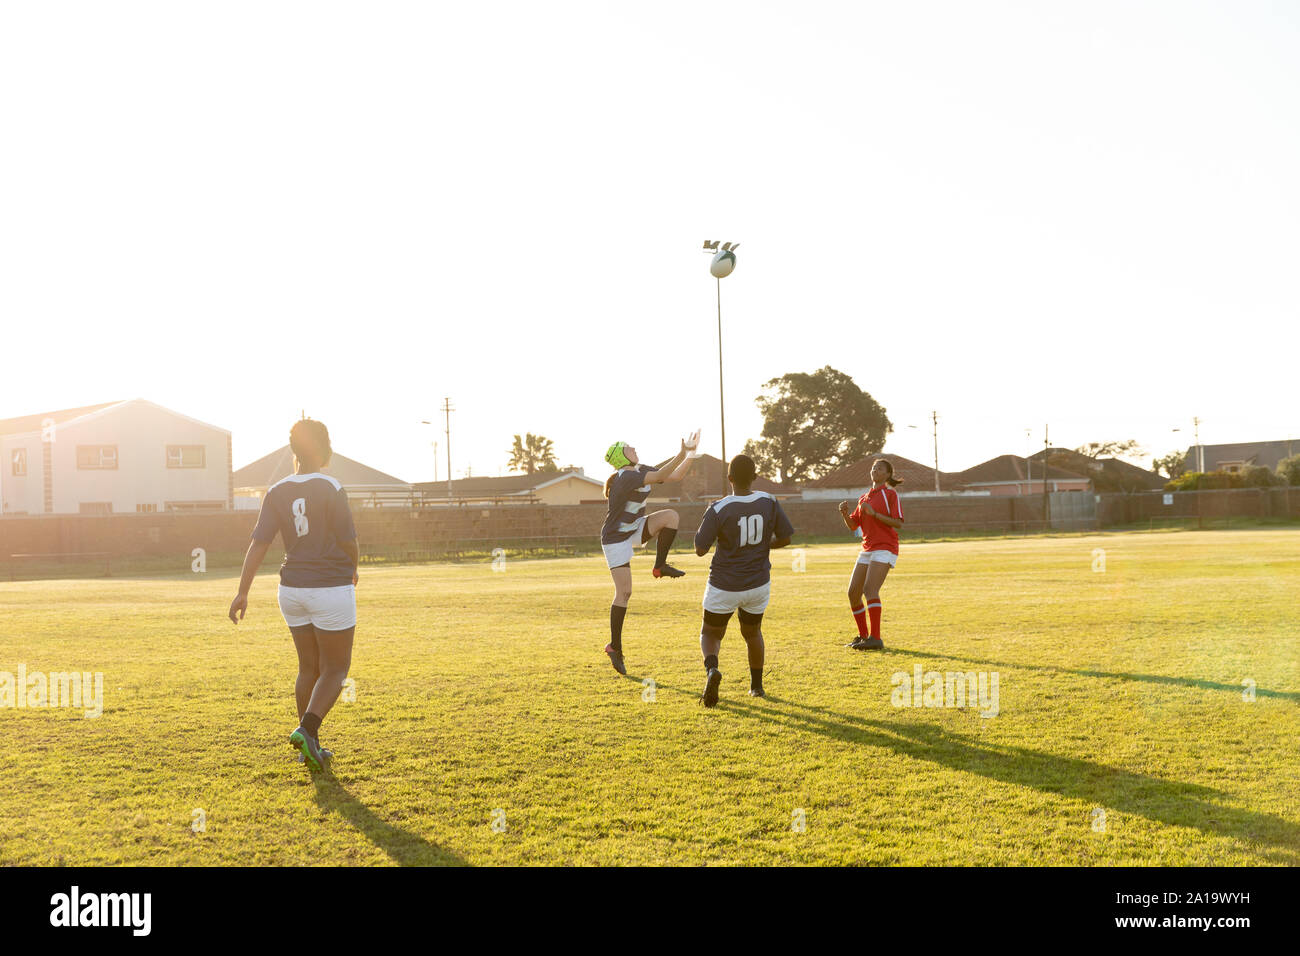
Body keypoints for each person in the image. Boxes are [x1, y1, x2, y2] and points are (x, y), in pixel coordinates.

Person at [228, 419, 359, 770]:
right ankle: (307, 730)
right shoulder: (331, 486)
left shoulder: (276, 491)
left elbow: (259, 544)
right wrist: (354, 568)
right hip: (329, 586)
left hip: (290, 590)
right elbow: (348, 540)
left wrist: (242, 592)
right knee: (336, 669)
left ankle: (309, 748)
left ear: (293, 450)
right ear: (324, 449)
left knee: (308, 668)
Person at [693, 454, 794, 706]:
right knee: (753, 633)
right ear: (755, 477)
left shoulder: (718, 507)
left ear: (729, 478)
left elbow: (700, 548)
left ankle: (712, 670)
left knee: (710, 633)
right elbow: (786, 538)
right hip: (758, 583)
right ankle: (756, 687)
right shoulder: (769, 501)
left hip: (724, 583)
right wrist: (762, 547)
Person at [600, 432, 699, 675]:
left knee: (671, 517)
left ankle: (660, 566)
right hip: (615, 538)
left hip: (633, 528)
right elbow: (664, 474)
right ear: (621, 457)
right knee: (624, 592)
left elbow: (675, 475)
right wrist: (681, 452)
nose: (633, 448)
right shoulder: (625, 478)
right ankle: (615, 647)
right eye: (628, 447)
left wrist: (692, 453)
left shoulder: (639, 470)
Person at [839, 458, 904, 650]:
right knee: (853, 593)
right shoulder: (864, 498)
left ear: (887, 475)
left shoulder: (890, 494)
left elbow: (898, 523)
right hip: (868, 548)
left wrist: (875, 515)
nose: (875, 470)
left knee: (870, 590)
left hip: (885, 546)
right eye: (874, 467)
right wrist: (844, 513)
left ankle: (876, 638)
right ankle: (863, 636)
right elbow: (853, 525)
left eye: (880, 468)